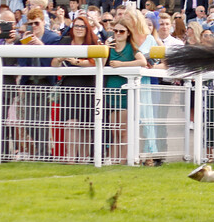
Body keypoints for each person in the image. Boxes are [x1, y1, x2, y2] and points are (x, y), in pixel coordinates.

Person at [51, 15, 100, 163]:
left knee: (84, 125)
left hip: (88, 87)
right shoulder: (65, 41)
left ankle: (84, 159)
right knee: (70, 123)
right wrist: (60, 58)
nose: (79, 29)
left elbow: (97, 63)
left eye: (82, 26)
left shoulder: (92, 43)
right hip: (69, 87)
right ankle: (71, 158)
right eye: (76, 26)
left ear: (87, 29)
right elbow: (53, 64)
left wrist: (78, 62)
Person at [105, 18, 147, 164]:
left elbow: (142, 61)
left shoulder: (131, 47)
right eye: (115, 31)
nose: (118, 34)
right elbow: (101, 61)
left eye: (121, 31)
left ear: (128, 33)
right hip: (110, 93)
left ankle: (122, 160)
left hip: (125, 93)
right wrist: (105, 48)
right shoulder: (109, 47)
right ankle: (114, 159)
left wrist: (122, 65)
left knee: (123, 131)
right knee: (114, 131)